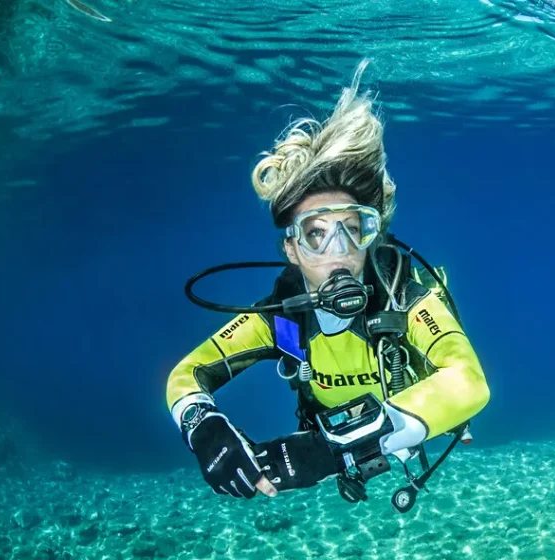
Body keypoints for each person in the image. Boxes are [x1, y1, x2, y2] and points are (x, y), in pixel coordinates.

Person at [166, 61, 490, 506]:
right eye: (316, 234)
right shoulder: (280, 319)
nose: (338, 251)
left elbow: (470, 380)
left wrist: (331, 450)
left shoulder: (404, 297)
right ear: (292, 250)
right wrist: (203, 427)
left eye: (353, 228)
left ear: (370, 235)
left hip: (404, 426)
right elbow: (185, 375)